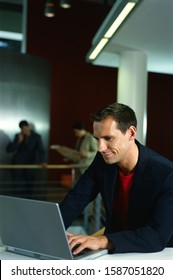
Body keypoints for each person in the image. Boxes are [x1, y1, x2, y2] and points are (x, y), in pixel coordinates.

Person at [59, 102, 173, 256]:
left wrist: (101, 240)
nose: (100, 147)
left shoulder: (166, 173)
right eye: (97, 139)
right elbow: (77, 198)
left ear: (131, 133)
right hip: (116, 253)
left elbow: (156, 236)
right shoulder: (103, 162)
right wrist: (53, 231)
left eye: (108, 138)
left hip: (156, 255)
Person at [6, 120, 46, 198]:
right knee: (18, 188)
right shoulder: (18, 136)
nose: (25, 130)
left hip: (31, 165)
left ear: (28, 127)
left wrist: (43, 161)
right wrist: (18, 141)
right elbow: (10, 150)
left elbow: (40, 150)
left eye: (26, 128)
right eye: (23, 129)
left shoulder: (36, 137)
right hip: (18, 166)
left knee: (29, 188)